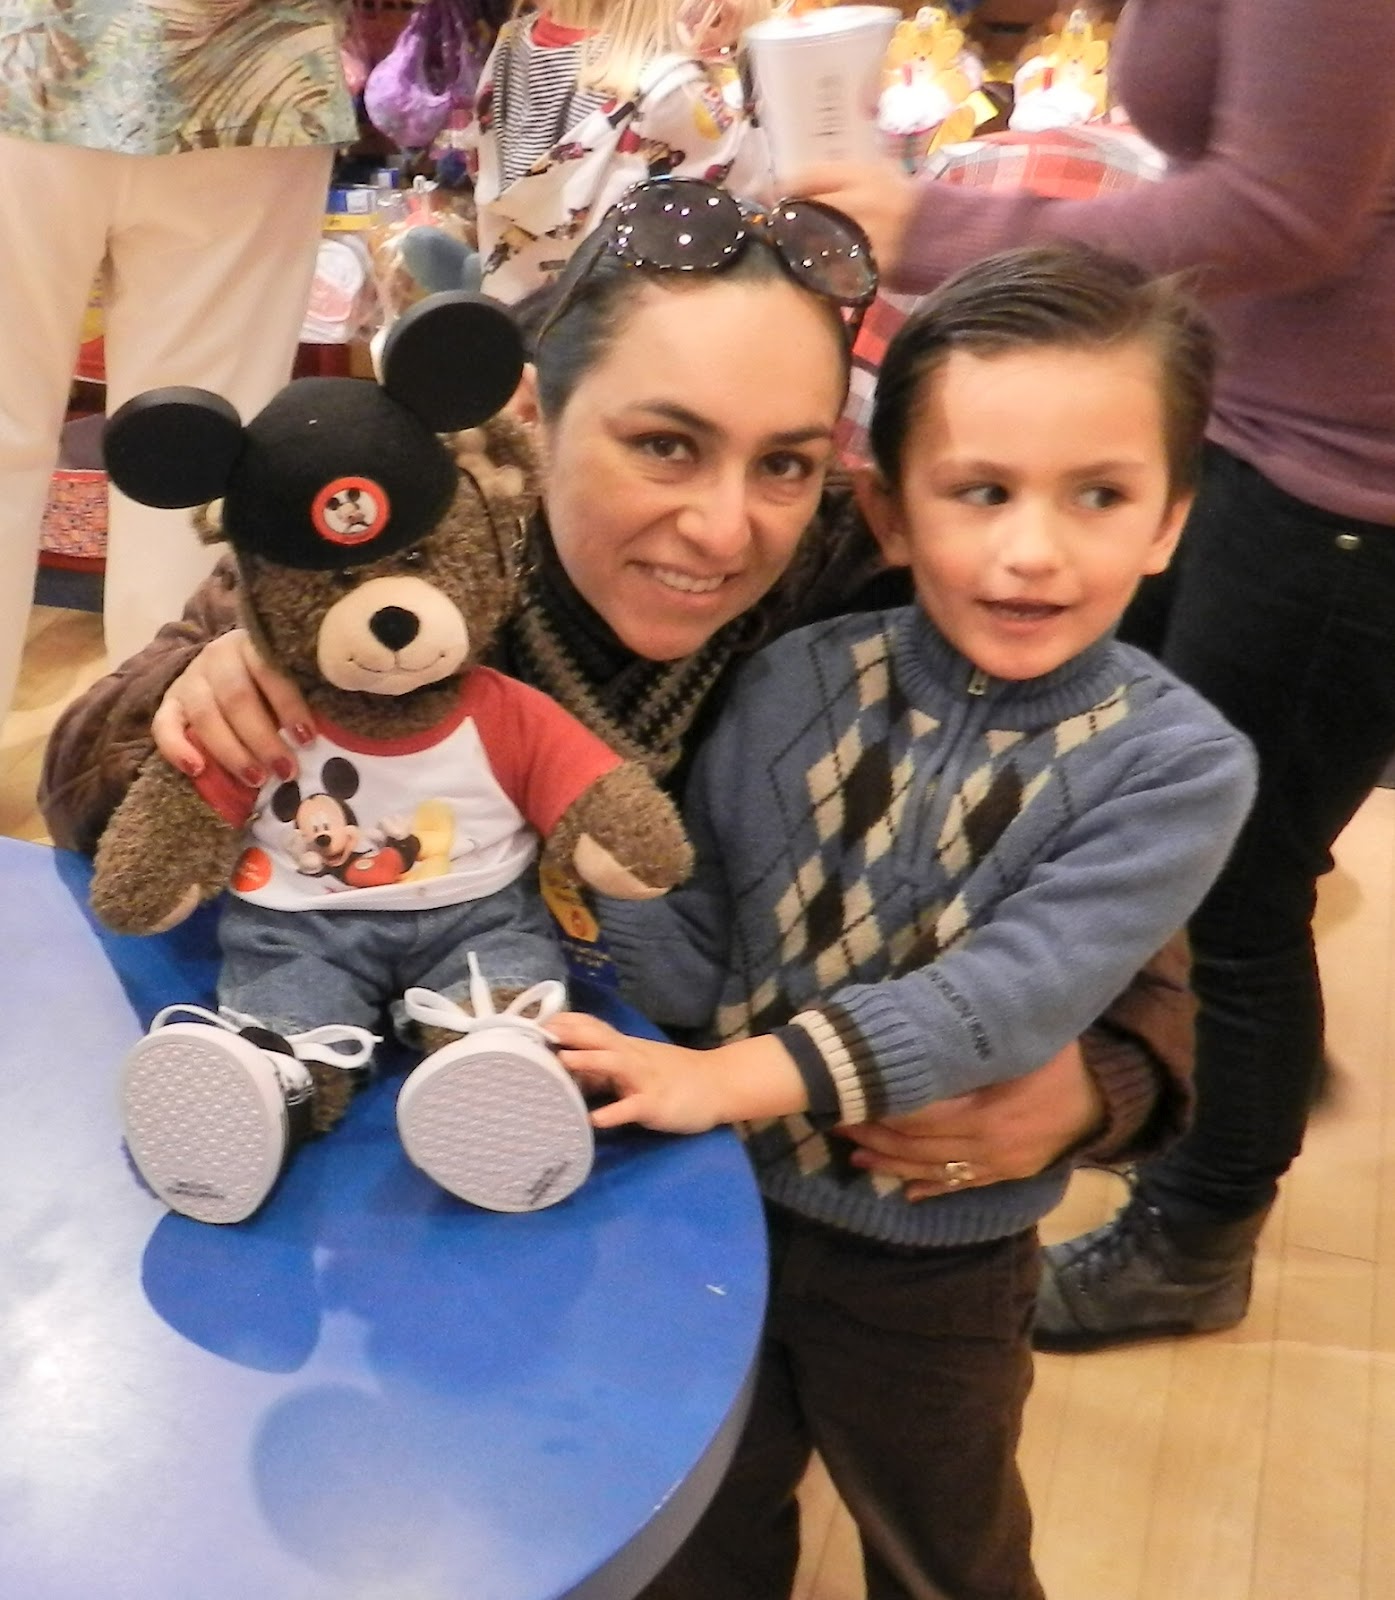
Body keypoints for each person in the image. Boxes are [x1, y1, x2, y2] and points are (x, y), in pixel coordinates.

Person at [41, 178, 1191, 1252]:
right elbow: (81, 793)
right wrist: (185, 698)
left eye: (785, 465)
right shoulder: (409, 530)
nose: (724, 528)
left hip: (765, 1186)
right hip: (386, 1160)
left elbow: (1102, 846)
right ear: (533, 411)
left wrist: (1104, 1081)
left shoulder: (873, 582)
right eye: (664, 446)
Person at [545, 241, 1256, 1600]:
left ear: (1171, 519)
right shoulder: (793, 678)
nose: (1031, 551)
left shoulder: (1175, 766)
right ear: (887, 507)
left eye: (1099, 495)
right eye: (979, 491)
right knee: (703, 1531)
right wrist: (593, 859)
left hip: (938, 1264)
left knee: (945, 1548)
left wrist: (729, 1079)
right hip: (716, 1223)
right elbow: (703, 950)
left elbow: (1010, 997)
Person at [792, 0, 1395, 1347]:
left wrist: (936, 227)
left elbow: (1286, 207)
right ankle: (1213, 1070)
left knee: (1238, 881)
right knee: (1159, 815)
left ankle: (1196, 1230)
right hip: (1261, 432)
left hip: (1345, 486)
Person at [0, 0, 355, 712]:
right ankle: (157, 758)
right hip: (249, 76)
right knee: (191, 460)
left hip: (25, 53)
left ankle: (162, 751)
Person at [463, 0, 772, 301]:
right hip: (644, 325)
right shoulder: (678, 90)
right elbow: (760, 202)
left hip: (522, 317)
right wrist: (736, 55)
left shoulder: (507, 51)